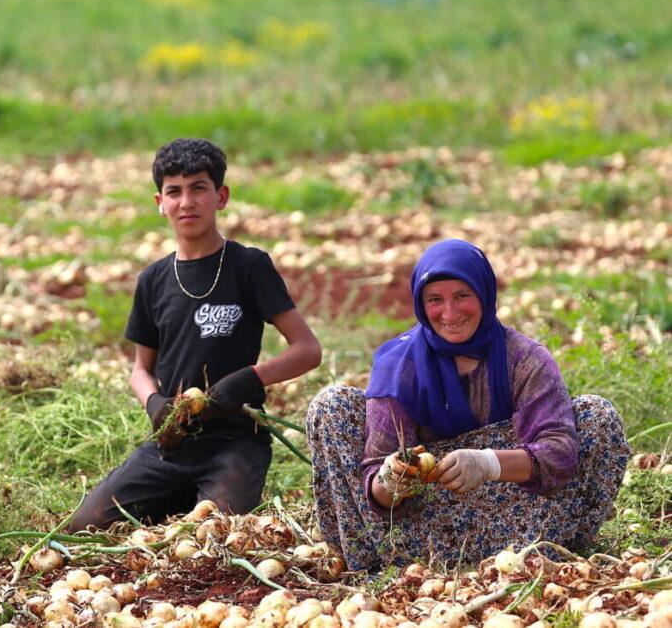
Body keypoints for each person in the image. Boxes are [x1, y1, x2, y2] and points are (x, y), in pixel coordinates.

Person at [306, 239, 630, 571]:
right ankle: (381, 563)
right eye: (435, 300)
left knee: (596, 414)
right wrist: (391, 480)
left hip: (522, 524)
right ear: (421, 304)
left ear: (484, 295)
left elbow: (559, 453)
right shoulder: (399, 364)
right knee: (332, 405)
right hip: (418, 532)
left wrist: (487, 463)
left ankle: (550, 554)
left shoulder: (525, 358)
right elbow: (377, 489)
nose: (449, 313)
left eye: (462, 296)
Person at [67, 138, 322, 531]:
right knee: (84, 526)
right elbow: (140, 369)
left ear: (221, 196)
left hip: (236, 445)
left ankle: (200, 498)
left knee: (215, 538)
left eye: (198, 188)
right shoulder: (153, 280)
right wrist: (154, 405)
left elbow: (308, 350)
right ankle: (180, 494)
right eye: (174, 192)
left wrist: (247, 380)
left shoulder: (248, 266)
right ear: (160, 202)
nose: (186, 202)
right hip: (170, 448)